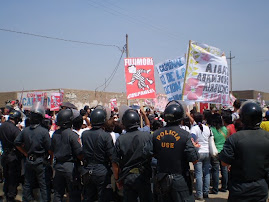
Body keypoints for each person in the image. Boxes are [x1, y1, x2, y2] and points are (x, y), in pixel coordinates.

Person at [220, 101, 269, 202]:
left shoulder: (235, 138)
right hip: (260, 187)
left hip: (239, 187)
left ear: (242, 118)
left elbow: (224, 162)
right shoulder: (267, 137)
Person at [152, 101, 199, 202]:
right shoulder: (185, 135)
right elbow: (194, 159)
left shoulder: (156, 134)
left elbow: (149, 153)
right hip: (180, 181)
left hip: (162, 180)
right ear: (181, 118)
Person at [112, 109, 153, 202]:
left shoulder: (120, 139)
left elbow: (115, 163)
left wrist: (117, 179)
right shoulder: (147, 136)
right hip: (144, 176)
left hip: (128, 177)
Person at [14, 102, 51, 202]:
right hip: (40, 161)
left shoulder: (25, 130)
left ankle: (27, 200)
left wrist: (25, 153)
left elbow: (17, 143)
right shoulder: (44, 132)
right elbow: (49, 148)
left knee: (28, 183)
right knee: (43, 184)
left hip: (29, 160)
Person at [81, 107, 114, 202]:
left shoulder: (85, 134)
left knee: (88, 197)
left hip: (88, 170)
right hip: (102, 170)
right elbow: (111, 155)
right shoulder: (106, 136)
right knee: (103, 197)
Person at [51, 109, 83, 202]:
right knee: (74, 193)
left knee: (58, 193)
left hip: (58, 166)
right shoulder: (73, 135)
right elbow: (79, 154)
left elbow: (51, 150)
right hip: (70, 166)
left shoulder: (55, 134)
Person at [0, 110, 22, 202]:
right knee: (13, 177)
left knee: (6, 175)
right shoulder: (15, 130)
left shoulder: (2, 126)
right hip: (13, 156)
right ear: (16, 119)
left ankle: (5, 192)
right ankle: (10, 196)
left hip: (4, 155)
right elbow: (19, 143)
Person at [190, 112, 211, 200]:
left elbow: (191, 139)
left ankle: (199, 194)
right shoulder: (207, 128)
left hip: (199, 152)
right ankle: (206, 192)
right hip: (207, 151)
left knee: (199, 174)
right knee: (206, 173)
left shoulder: (194, 128)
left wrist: (194, 144)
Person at [210, 113, 228, 194]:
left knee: (215, 171)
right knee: (224, 170)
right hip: (224, 151)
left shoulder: (211, 129)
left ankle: (215, 189)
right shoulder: (224, 129)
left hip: (215, 152)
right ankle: (224, 187)